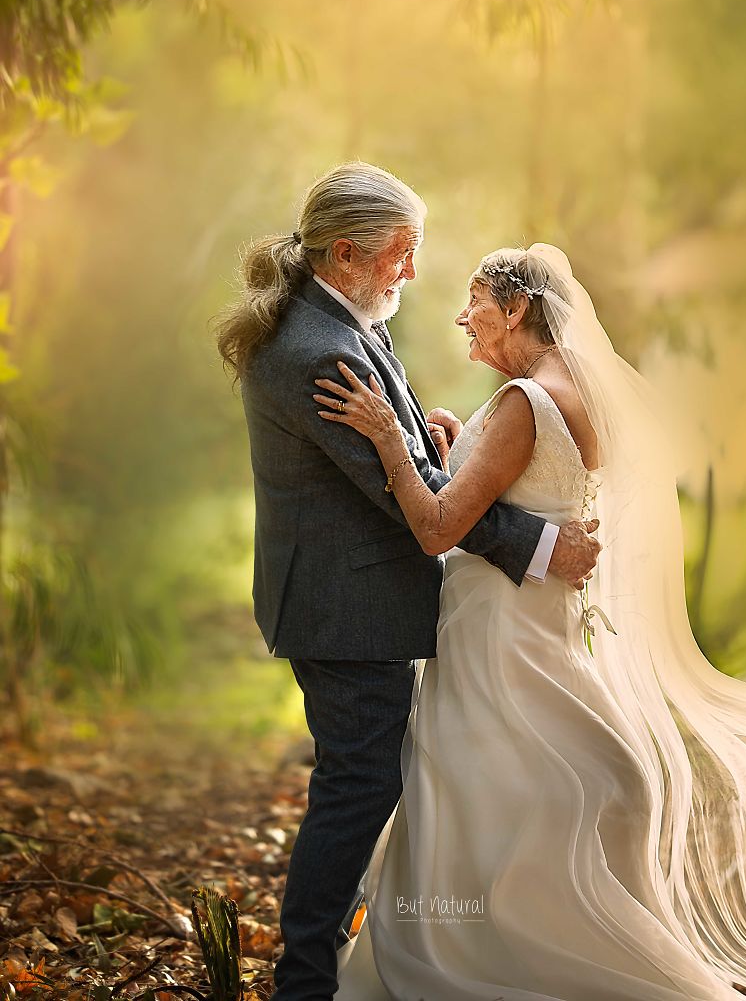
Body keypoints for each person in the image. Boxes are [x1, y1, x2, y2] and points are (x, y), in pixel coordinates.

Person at [321, 243, 746, 1001]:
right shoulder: (577, 386)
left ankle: (490, 957)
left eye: (476, 299)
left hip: (498, 632)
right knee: (531, 778)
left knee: (486, 782)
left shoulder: (525, 400)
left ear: (517, 308)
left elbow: (437, 530)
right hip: (544, 619)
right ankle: (529, 935)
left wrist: (391, 437)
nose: (463, 315)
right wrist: (459, 448)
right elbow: (530, 498)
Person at [215, 165, 600, 1001]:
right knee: (361, 783)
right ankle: (305, 983)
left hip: (359, 598)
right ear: (347, 253)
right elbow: (409, 512)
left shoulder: (345, 318)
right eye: (403, 252)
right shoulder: (318, 352)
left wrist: (440, 449)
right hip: (342, 605)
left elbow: (412, 470)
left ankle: (348, 957)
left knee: (370, 779)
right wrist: (537, 544)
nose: (412, 273)